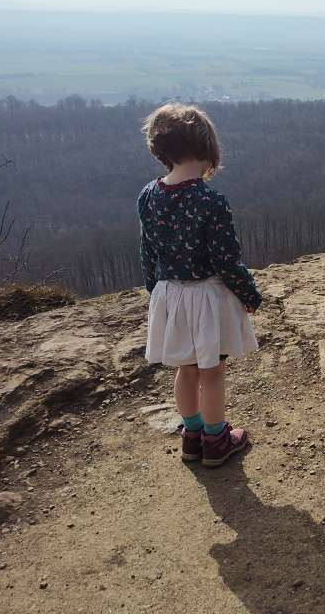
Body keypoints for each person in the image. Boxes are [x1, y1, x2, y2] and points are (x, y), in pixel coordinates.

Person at [137, 103, 261, 467]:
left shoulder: (148, 195)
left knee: (185, 369)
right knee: (212, 371)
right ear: (208, 147)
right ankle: (216, 439)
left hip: (169, 294)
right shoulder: (210, 200)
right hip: (206, 297)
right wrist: (249, 295)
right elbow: (226, 260)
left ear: (159, 149)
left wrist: (155, 293)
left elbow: (147, 251)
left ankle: (191, 437)